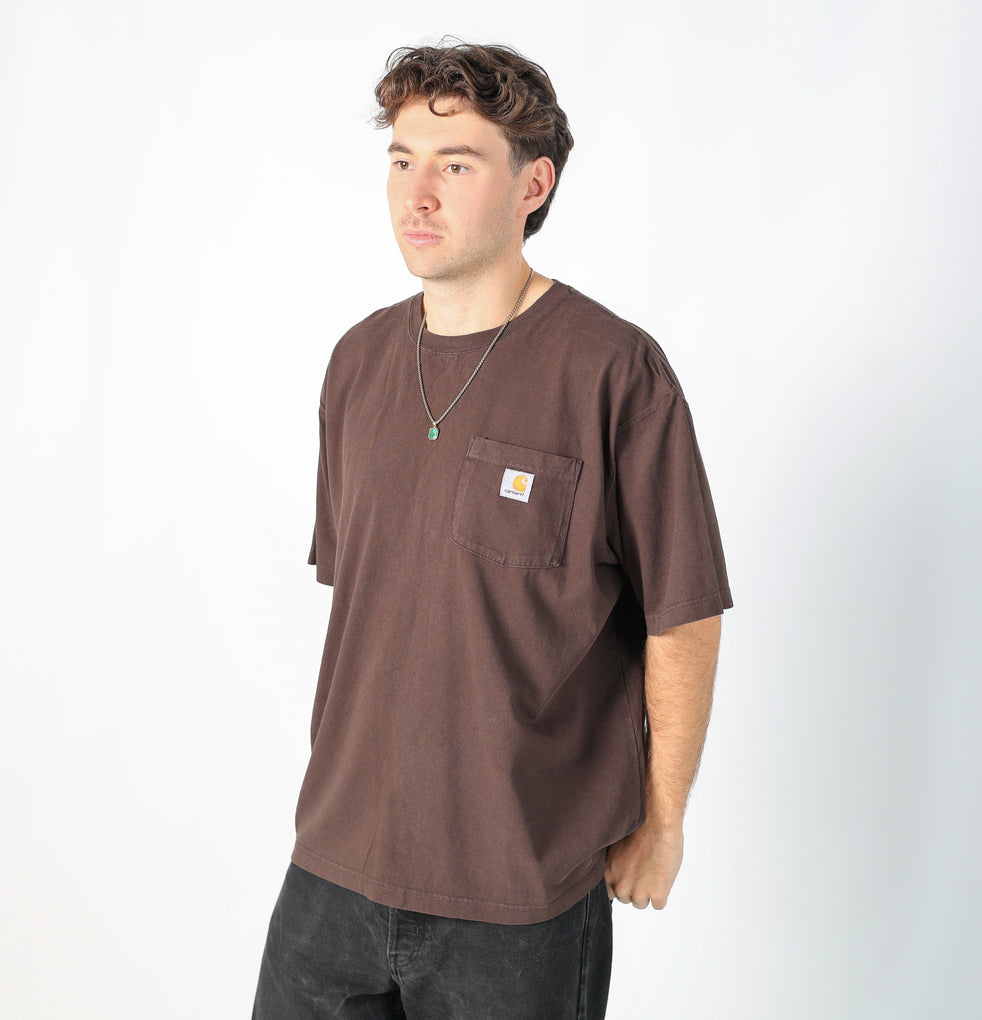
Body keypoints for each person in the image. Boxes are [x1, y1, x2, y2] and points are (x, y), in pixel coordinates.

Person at [253, 41, 732, 1020]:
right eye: (402, 161)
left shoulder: (614, 372)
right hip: (332, 870)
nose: (417, 194)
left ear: (532, 185)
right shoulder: (356, 363)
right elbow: (381, 603)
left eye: (456, 165)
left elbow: (682, 613)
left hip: (520, 894)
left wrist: (663, 821)